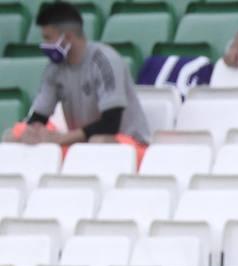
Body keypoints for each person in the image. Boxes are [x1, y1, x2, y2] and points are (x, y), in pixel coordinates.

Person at [3, 2, 150, 153]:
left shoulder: (104, 61)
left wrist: (61, 138)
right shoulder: (54, 68)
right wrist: (32, 132)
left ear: (67, 37)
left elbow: (110, 124)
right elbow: (40, 115)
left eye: (48, 38)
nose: (44, 45)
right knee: (13, 135)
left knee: (98, 142)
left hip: (128, 143)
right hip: (81, 143)